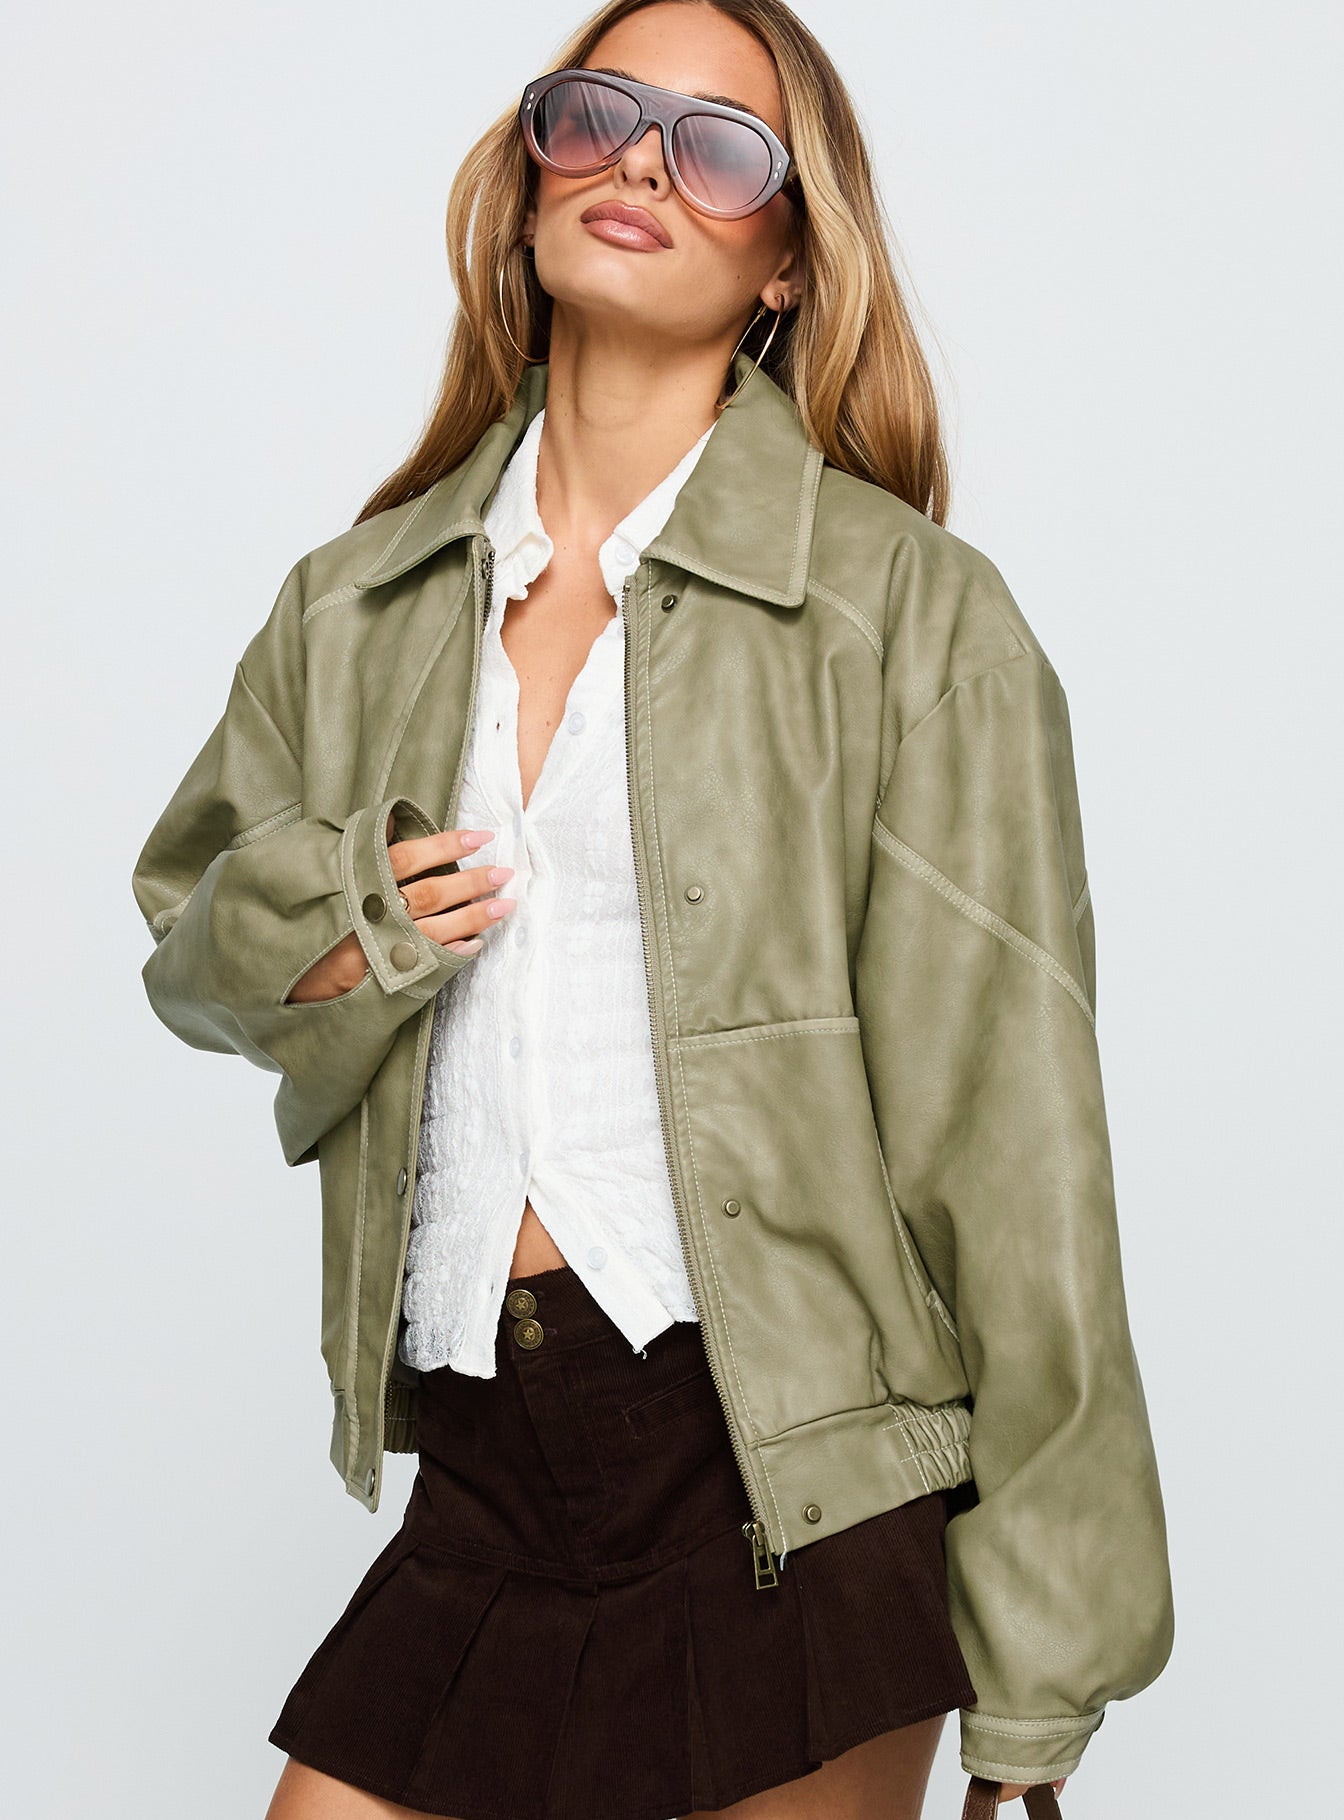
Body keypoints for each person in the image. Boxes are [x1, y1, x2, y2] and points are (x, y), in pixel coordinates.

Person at [130, 3, 1175, 1816]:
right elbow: (194, 947)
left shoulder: (908, 617)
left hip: (796, 1473)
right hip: (489, 1453)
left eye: (716, 146)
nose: (639, 163)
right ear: (532, 169)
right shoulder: (357, 605)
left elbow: (1018, 1154)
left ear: (788, 256)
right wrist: (352, 915)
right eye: (598, 113)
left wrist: (1040, 1674)